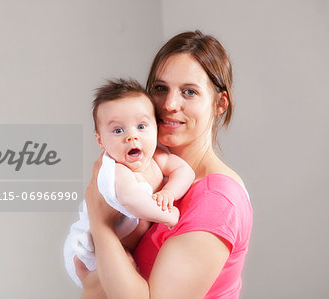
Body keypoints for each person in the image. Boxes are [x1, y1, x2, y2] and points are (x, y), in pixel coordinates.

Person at [76, 31, 253, 299]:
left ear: (220, 103)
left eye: (189, 92)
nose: (169, 104)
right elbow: (93, 288)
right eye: (160, 89)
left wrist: (101, 223)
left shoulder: (215, 200)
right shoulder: (149, 175)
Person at [64, 78, 194, 287]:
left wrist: (169, 191)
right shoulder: (116, 171)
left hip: (126, 247)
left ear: (156, 128)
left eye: (141, 126)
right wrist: (169, 216)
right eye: (118, 130)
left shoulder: (157, 158)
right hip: (93, 254)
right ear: (100, 141)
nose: (132, 136)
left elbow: (184, 170)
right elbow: (131, 199)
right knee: (120, 274)